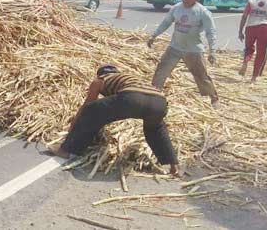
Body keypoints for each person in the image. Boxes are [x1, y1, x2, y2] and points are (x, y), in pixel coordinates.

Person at [48, 65, 179, 176]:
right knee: (156, 129)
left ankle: (66, 150)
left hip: (132, 99)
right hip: (159, 102)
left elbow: (87, 106)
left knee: (91, 110)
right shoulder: (129, 78)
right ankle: (173, 165)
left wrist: (73, 128)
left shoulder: (100, 80)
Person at [147, 0, 220, 106]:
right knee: (161, 70)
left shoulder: (202, 12)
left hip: (193, 50)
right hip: (175, 47)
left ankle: (214, 97)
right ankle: (154, 94)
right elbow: (166, 23)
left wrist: (212, 51)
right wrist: (154, 35)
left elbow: (211, 31)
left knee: (201, 75)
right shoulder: (176, 8)